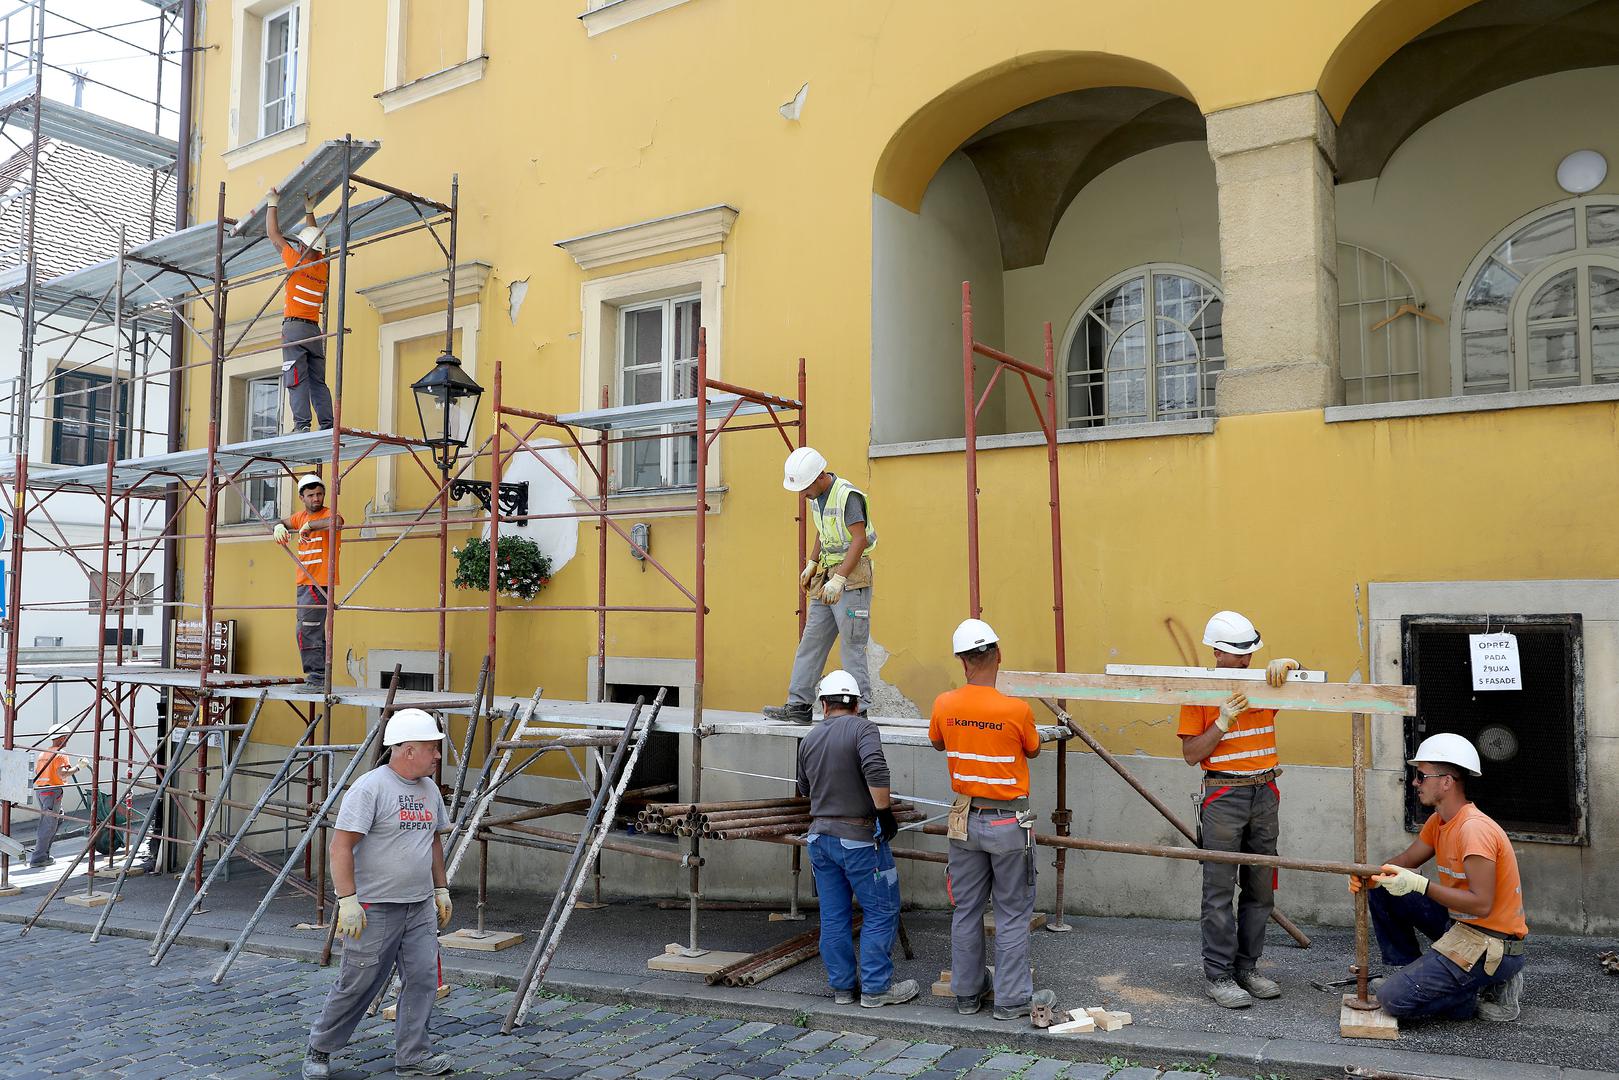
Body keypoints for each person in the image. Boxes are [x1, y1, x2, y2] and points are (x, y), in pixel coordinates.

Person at [304, 708, 455, 1079]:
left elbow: (433, 840)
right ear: (407, 750)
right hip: (374, 907)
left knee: (422, 979)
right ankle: (320, 1047)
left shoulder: (429, 789)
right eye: (431, 747)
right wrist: (347, 901)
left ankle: (413, 1056)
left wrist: (440, 888)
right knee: (359, 982)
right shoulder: (370, 788)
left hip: (418, 905)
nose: (437, 755)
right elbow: (341, 846)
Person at [928, 619, 1056, 1023]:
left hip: (964, 820)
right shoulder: (1016, 709)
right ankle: (1011, 1000)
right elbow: (1032, 749)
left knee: (966, 909)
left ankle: (967, 994)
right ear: (998, 655)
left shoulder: (944, 703)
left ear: (962, 661)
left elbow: (937, 741)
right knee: (1012, 913)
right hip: (1007, 823)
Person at [1350, 733, 1527, 1023]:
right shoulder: (1439, 821)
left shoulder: (1474, 830)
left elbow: (1481, 904)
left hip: (1489, 942)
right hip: (1458, 926)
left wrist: (1420, 884)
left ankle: (1483, 988)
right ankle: (1409, 972)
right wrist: (1370, 877)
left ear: (1446, 782)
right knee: (1385, 885)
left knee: (1392, 1000)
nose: (1414, 783)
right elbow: (1405, 862)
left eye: (1421, 776)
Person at [1175, 610, 1301, 1009]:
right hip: (1223, 794)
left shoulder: (1264, 683)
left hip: (1265, 791)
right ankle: (1219, 975)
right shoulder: (1198, 692)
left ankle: (1247, 968)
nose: (1247, 660)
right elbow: (1191, 754)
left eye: (1250, 652)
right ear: (1216, 652)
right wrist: (1221, 723)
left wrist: (1293, 666)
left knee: (1260, 887)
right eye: (1238, 653)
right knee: (1218, 889)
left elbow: (1308, 685)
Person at [796, 669, 916, 1008]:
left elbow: (804, 788)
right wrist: (884, 812)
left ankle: (843, 989)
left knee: (834, 916)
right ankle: (876, 989)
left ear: (823, 704)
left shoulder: (810, 739)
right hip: (859, 840)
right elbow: (875, 769)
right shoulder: (863, 728)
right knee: (881, 910)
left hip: (820, 840)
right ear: (857, 705)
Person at [764, 447, 876, 724]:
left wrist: (840, 578)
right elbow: (822, 531)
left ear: (819, 476)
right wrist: (812, 562)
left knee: (852, 645)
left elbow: (859, 539)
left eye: (805, 488)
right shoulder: (819, 497)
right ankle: (798, 705)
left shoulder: (847, 495)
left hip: (852, 577)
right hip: (827, 575)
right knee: (811, 641)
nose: (803, 494)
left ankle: (859, 710)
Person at [266, 186, 333, 434]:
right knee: (317, 380)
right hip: (314, 332)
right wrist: (309, 211)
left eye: (299, 244)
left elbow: (274, 235)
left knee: (296, 376)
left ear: (303, 247)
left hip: (294, 329)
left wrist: (272, 203)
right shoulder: (322, 267)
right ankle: (327, 424)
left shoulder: (296, 261)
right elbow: (315, 240)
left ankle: (302, 425)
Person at [274, 475, 343, 690]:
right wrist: (278, 526)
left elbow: (337, 522)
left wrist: (310, 526)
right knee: (311, 630)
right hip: (304, 583)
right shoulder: (300, 516)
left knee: (307, 630)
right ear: (301, 497)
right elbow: (284, 521)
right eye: (311, 495)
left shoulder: (327, 514)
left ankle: (317, 679)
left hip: (317, 583)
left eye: (319, 494)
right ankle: (320, 677)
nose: (316, 498)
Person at [28, 722, 85, 868]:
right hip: (52, 791)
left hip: (41, 791)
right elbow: (62, 774)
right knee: (48, 825)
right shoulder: (60, 754)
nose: (67, 740)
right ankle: (39, 857)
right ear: (62, 738)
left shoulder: (44, 753)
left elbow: (37, 772)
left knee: (57, 818)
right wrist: (78, 767)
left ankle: (44, 853)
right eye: (67, 737)